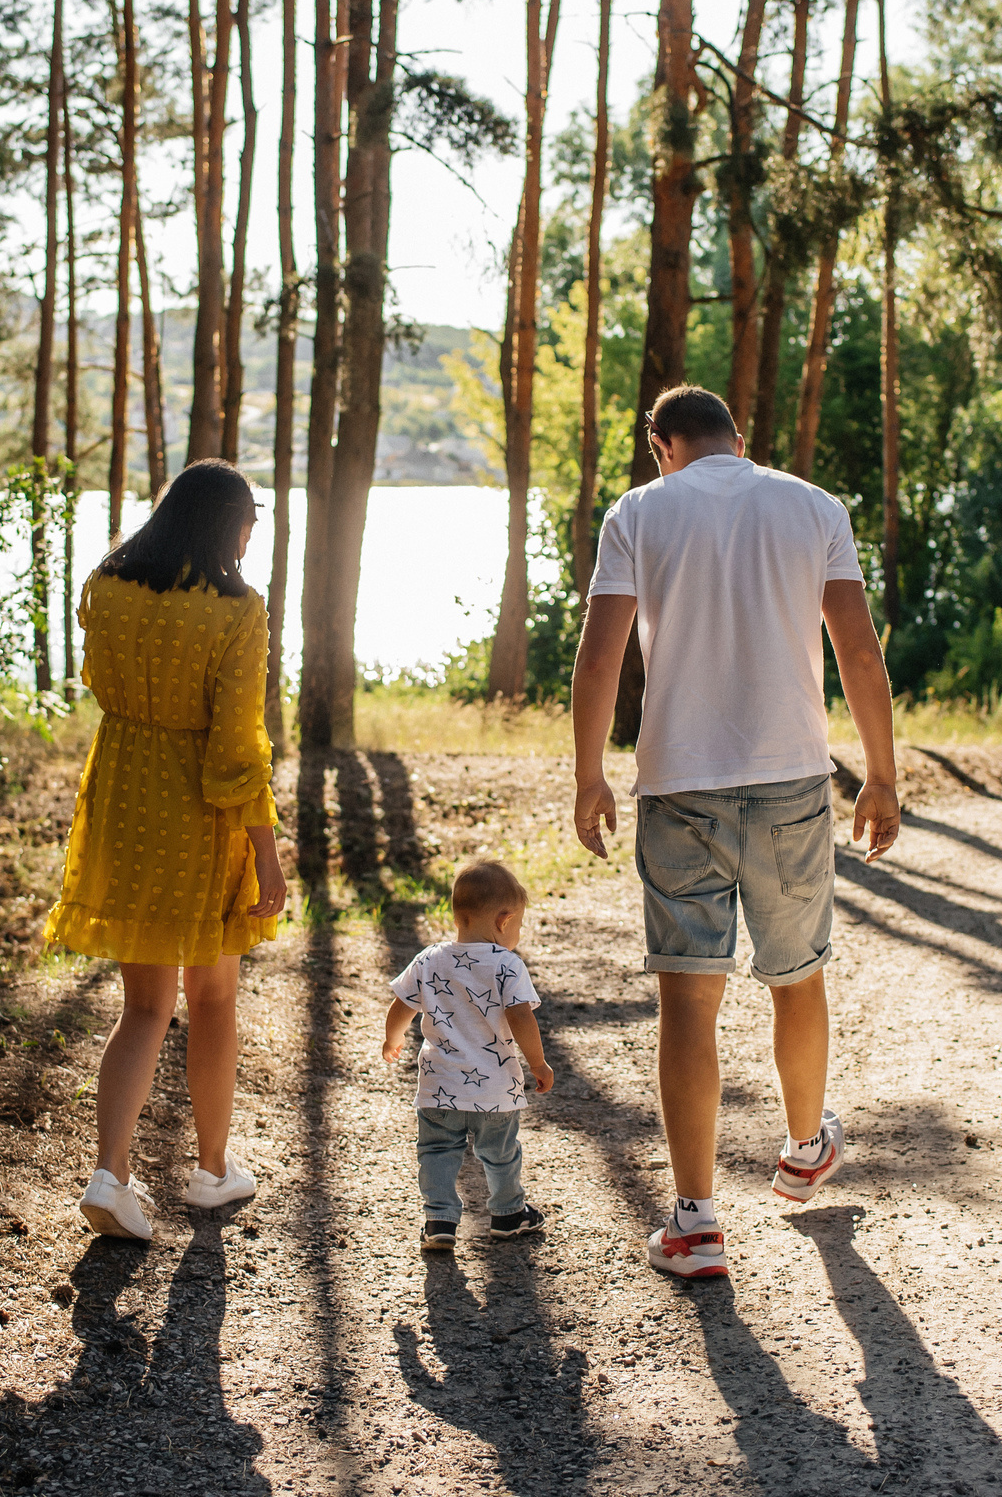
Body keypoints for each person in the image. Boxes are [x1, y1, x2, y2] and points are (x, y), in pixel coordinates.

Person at [568, 385, 900, 1280]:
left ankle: (696, 1224)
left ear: (661, 444)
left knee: (689, 1002)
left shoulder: (638, 512)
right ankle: (804, 1147)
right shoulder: (814, 506)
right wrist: (881, 775)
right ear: (739, 440)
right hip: (791, 778)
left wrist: (590, 772)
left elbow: (600, 655)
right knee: (797, 976)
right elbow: (857, 650)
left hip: (679, 784)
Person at [46, 459, 288, 1242]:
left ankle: (110, 1174)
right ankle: (212, 1170)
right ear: (227, 524)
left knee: (144, 1005)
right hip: (199, 811)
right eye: (249, 523)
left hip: (122, 795)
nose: (249, 539)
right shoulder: (236, 610)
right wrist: (266, 851)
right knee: (212, 998)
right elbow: (237, 747)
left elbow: (95, 677)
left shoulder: (107, 585)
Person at [380, 860, 554, 1250]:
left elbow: (401, 1005)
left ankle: (439, 1220)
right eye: (520, 926)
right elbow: (521, 1016)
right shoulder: (507, 965)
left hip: (439, 1086)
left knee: (437, 1151)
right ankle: (508, 1214)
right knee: (500, 1152)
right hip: (495, 1090)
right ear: (505, 921)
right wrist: (537, 1063)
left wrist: (393, 1039)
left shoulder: (429, 959)